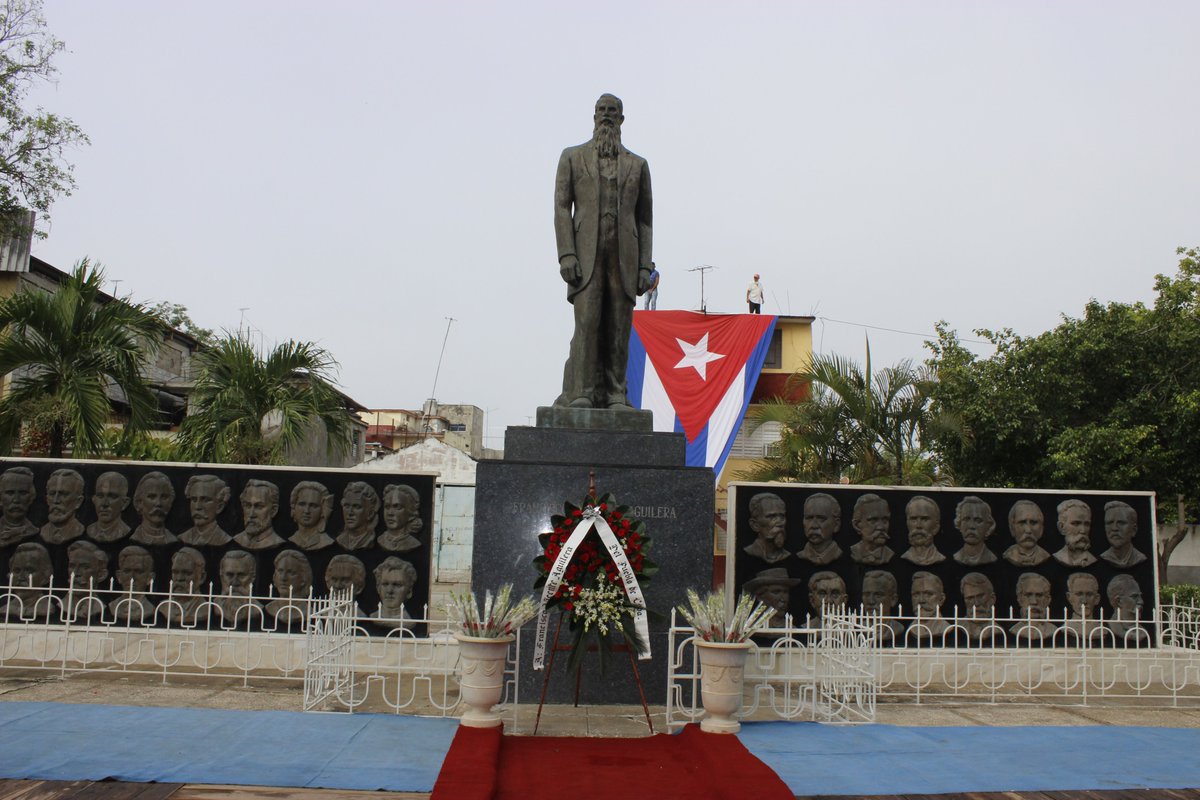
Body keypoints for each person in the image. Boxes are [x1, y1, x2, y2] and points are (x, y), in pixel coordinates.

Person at [552, 93, 654, 411]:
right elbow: (561, 208)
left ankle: (615, 394)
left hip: (624, 258)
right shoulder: (572, 157)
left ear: (621, 119)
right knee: (587, 322)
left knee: (619, 326)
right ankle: (581, 392)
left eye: (612, 111)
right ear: (594, 116)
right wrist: (566, 254)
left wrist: (644, 266)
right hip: (586, 257)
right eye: (601, 110)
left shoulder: (638, 165)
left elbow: (645, 220)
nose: (606, 115)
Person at [3, 542, 56, 620]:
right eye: (17, 571)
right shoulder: (5, 608)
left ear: (45, 576)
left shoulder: (46, 607)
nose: (20, 577)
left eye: (29, 570)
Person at [159, 547, 209, 627]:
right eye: (175, 572)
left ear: (202, 577)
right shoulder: (164, 606)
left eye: (187, 573)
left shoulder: (205, 608)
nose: (179, 578)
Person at [180, 475, 232, 547]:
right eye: (194, 500)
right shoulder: (182, 538)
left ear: (219, 507)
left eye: (205, 500)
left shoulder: (224, 539)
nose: (197, 507)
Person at [109, 545, 155, 624]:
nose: (132, 578)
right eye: (127, 571)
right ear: (119, 576)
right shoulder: (112, 606)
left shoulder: (151, 609)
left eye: (139, 572)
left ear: (150, 578)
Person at [217, 550, 264, 627]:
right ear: (222, 576)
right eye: (229, 575)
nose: (235, 582)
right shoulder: (214, 605)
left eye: (241, 575)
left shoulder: (257, 608)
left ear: (252, 577)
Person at [234, 479, 284, 550]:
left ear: (273, 510)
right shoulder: (237, 539)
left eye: (259, 507)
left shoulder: (276, 541)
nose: (251, 514)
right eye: (248, 506)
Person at [267, 550, 313, 625]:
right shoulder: (269, 608)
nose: (283, 578)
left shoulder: (307, 611)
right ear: (274, 576)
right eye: (280, 571)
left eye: (291, 573)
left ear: (303, 578)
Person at [131, 471, 177, 546]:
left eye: (164, 497)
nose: (158, 503)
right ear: (140, 502)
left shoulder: (173, 539)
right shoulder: (135, 538)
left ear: (170, 502)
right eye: (152, 497)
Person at [41, 468, 86, 545]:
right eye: (52, 494)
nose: (56, 500)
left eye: (64, 494)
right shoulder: (43, 531)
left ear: (78, 501)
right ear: (47, 499)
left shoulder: (79, 530)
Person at [743, 492, 790, 563]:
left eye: (782, 516)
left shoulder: (787, 555)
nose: (780, 522)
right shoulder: (749, 553)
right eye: (772, 516)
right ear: (755, 525)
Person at [66, 539, 108, 620]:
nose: (75, 573)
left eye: (85, 567)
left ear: (101, 575)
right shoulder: (61, 604)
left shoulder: (100, 606)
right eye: (72, 566)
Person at [1009, 573, 1057, 643]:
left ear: (1048, 600)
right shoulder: (1015, 629)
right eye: (1028, 595)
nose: (1034, 602)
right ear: (1019, 599)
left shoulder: (1053, 630)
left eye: (1039, 595)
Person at [797, 492, 843, 565]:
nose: (814, 525)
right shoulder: (800, 555)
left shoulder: (839, 554)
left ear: (836, 525)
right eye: (809, 518)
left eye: (821, 518)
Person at [372, 556, 418, 628]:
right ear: (378, 588)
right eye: (385, 584)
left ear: (409, 591)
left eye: (397, 585)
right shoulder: (373, 617)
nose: (389, 590)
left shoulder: (408, 621)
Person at [860, 570, 904, 643]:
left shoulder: (897, 628)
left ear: (893, 599)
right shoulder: (857, 628)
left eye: (878, 595)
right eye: (866, 594)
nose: (871, 601)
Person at [1106, 574, 1150, 647]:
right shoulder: (1109, 628)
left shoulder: (1143, 632)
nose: (1141, 601)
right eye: (1134, 597)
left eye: (1140, 596)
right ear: (1119, 601)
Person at [952, 496, 997, 566]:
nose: (971, 526)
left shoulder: (991, 557)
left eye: (978, 521)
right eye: (966, 519)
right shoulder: (957, 556)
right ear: (959, 524)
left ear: (988, 526)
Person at [849, 493, 893, 565]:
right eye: (873, 520)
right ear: (857, 526)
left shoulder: (889, 554)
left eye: (885, 520)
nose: (881, 527)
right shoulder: (854, 551)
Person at [900, 496, 945, 566]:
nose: (918, 525)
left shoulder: (939, 557)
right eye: (913, 519)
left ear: (936, 526)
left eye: (925, 519)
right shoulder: (906, 556)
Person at [289, 481, 334, 550]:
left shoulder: (326, 541)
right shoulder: (292, 539)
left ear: (322, 510)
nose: (306, 511)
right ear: (294, 507)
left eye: (313, 506)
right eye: (302, 504)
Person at [1003, 500, 1050, 567]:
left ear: (1041, 529)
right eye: (1022, 522)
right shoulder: (1008, 554)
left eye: (1033, 523)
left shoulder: (1044, 555)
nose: (1028, 530)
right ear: (1012, 528)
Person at [1100, 500, 1147, 568]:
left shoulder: (1139, 558)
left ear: (1134, 530)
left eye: (1121, 523)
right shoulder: (1103, 557)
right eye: (1109, 523)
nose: (1114, 528)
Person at [87, 471, 131, 543]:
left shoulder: (124, 532)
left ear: (124, 503)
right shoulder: (90, 530)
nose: (105, 503)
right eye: (100, 496)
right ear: (94, 500)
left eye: (112, 497)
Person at [1061, 572, 1104, 644]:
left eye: (1089, 594)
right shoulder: (1066, 628)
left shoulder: (1102, 629)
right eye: (1079, 594)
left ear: (1097, 599)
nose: (1084, 601)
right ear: (1069, 597)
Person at [336, 481, 380, 550]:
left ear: (370, 513)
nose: (350, 512)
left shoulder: (369, 539)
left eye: (357, 507)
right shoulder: (340, 539)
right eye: (347, 506)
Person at [379, 484, 422, 552]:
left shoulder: (413, 543)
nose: (390, 513)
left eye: (397, 507)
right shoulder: (381, 539)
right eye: (387, 507)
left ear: (410, 512)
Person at [906, 572, 950, 640]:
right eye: (916, 594)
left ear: (941, 599)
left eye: (929, 594)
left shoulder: (945, 627)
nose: (921, 600)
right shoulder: (910, 628)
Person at [0, 466, 37, 546]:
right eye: (10, 493)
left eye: (23, 493)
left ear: (31, 498)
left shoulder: (36, 533)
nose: (16, 500)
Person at [1053, 499, 1096, 567]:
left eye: (1087, 524)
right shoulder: (1058, 557)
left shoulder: (1092, 559)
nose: (1083, 530)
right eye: (1076, 523)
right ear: (1061, 527)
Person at [959, 573, 998, 644]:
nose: (976, 603)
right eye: (970, 598)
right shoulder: (958, 626)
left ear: (992, 599)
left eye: (980, 596)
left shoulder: (997, 629)